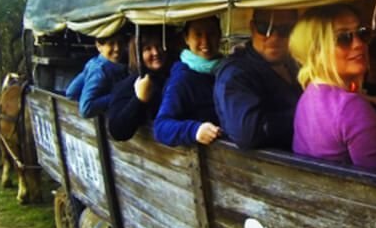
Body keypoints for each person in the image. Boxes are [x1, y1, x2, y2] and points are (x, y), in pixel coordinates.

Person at [289, 4, 376, 173]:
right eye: (343, 38)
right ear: (316, 50)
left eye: (362, 33)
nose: (359, 44)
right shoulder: (350, 106)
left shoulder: (309, 96)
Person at [215, 9, 303, 150]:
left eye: (285, 29)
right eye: (264, 28)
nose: (274, 37)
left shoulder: (296, 64)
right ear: (252, 28)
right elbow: (248, 133)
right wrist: (309, 115)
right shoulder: (236, 73)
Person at [153, 16, 223, 147]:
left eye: (211, 33)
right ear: (186, 38)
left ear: (219, 35)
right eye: (198, 34)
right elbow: (160, 127)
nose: (205, 41)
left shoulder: (226, 69)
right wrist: (194, 130)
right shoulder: (183, 79)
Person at [107, 26, 172, 141]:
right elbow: (116, 131)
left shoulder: (173, 74)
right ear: (137, 54)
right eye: (148, 49)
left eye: (158, 46)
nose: (156, 52)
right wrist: (140, 100)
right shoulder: (129, 85)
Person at [65, 32, 129, 118]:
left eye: (120, 43)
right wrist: (118, 96)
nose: (117, 48)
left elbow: (71, 92)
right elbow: (86, 109)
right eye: (111, 43)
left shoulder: (93, 63)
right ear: (99, 46)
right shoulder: (101, 71)